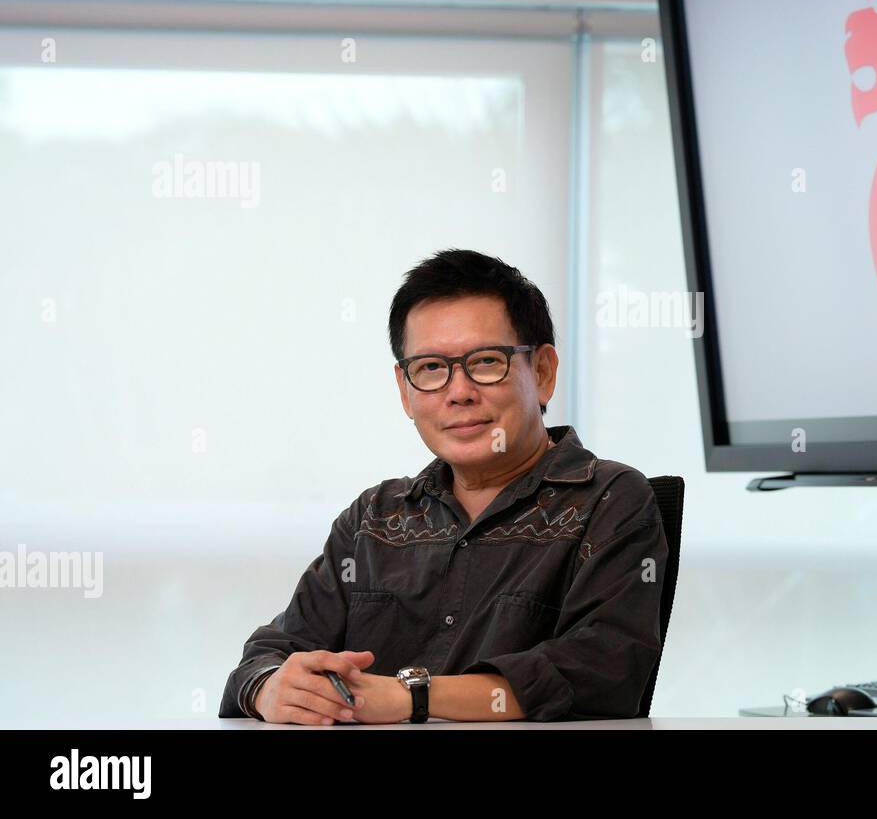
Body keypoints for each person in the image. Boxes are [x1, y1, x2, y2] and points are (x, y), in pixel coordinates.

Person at [217, 249, 668, 723]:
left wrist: (410, 698)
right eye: (431, 368)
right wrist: (270, 689)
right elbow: (271, 653)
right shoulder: (374, 518)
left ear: (542, 372)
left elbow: (601, 671)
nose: (459, 391)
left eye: (486, 361)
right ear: (404, 390)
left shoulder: (609, 500)